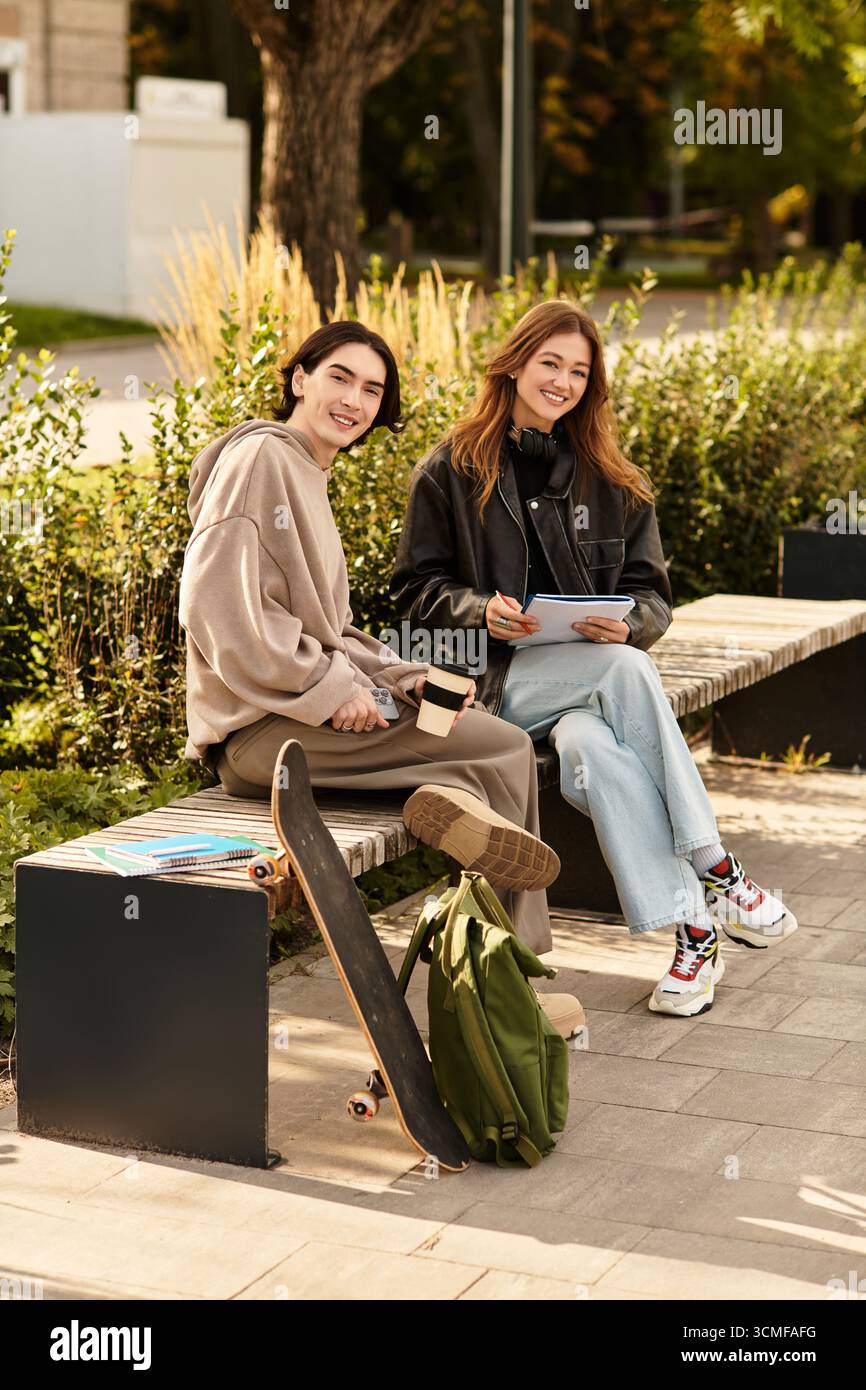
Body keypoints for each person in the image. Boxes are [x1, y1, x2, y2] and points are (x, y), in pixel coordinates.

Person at [390, 299, 799, 1017]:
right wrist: (478, 610)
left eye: (579, 370)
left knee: (599, 749)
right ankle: (719, 869)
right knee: (626, 672)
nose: (563, 381)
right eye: (549, 363)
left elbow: (652, 597)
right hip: (494, 687)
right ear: (514, 365)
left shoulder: (611, 479)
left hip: (582, 690)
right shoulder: (451, 470)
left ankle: (694, 932)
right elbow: (413, 590)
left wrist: (630, 623)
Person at [177, 320, 566, 967]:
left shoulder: (302, 471)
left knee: (467, 737)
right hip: (260, 734)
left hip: (288, 721)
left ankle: (466, 871)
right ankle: (506, 978)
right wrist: (329, 690)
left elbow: (324, 632)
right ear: (300, 380)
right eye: (339, 377)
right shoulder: (262, 461)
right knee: (505, 747)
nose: (353, 400)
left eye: (371, 388)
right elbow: (216, 610)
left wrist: (401, 675)